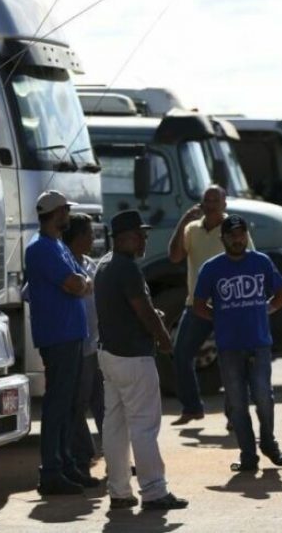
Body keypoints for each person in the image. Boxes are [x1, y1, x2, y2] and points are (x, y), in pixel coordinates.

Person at [94, 210, 188, 511]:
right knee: (144, 427)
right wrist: (163, 337)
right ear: (125, 237)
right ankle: (154, 492)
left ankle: (119, 492)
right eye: (140, 234)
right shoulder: (128, 269)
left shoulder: (104, 264)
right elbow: (144, 309)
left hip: (109, 355)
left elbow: (128, 309)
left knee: (115, 427)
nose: (145, 238)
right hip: (133, 357)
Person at [193, 214, 282, 472]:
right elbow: (199, 306)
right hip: (229, 346)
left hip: (259, 343)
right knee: (236, 403)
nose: (237, 240)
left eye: (241, 234)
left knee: (263, 397)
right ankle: (248, 455)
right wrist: (221, 317)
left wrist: (264, 310)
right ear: (222, 238)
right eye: (232, 235)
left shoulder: (261, 262)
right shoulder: (212, 268)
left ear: (247, 235)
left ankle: (269, 443)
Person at [24, 190, 100, 495]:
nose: (68, 215)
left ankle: (66, 464)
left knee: (68, 404)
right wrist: (81, 285)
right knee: (58, 405)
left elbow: (82, 281)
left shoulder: (56, 245)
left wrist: (82, 285)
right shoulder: (42, 248)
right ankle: (52, 469)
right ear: (56, 214)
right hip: (58, 335)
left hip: (70, 334)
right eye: (66, 211)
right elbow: (76, 283)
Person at [167, 185, 255, 425]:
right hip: (196, 305)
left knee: (232, 360)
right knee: (181, 354)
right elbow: (174, 256)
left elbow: (250, 261)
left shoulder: (234, 229)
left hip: (228, 307)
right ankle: (192, 407)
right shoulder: (192, 229)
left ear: (225, 204)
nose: (210, 204)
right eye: (207, 200)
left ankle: (234, 414)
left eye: (216, 200)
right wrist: (183, 221)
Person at [62, 213, 105, 477]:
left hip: (97, 346)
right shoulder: (63, 265)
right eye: (88, 233)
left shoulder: (90, 265)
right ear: (76, 238)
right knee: (78, 404)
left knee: (105, 404)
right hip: (78, 348)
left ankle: (115, 456)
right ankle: (83, 459)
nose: (93, 238)